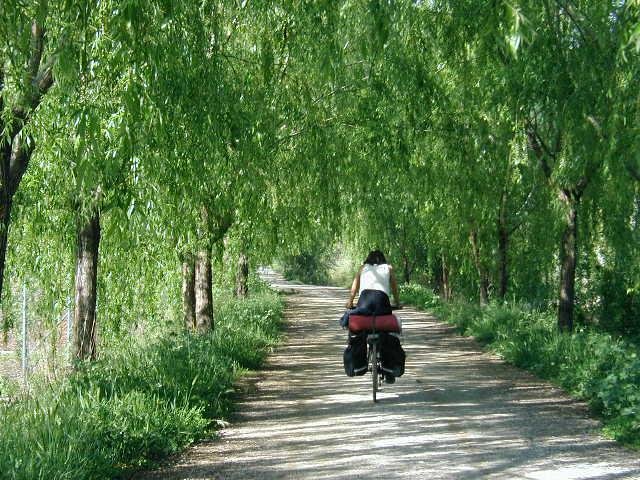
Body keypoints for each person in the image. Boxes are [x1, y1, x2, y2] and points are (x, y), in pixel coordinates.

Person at [341, 250, 404, 383]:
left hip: (364, 304)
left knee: (361, 332)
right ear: (383, 260)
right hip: (382, 305)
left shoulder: (362, 268)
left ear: (367, 260)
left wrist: (350, 302)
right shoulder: (388, 268)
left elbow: (354, 288)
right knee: (386, 331)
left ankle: (360, 363)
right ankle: (388, 368)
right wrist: (397, 303)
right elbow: (394, 288)